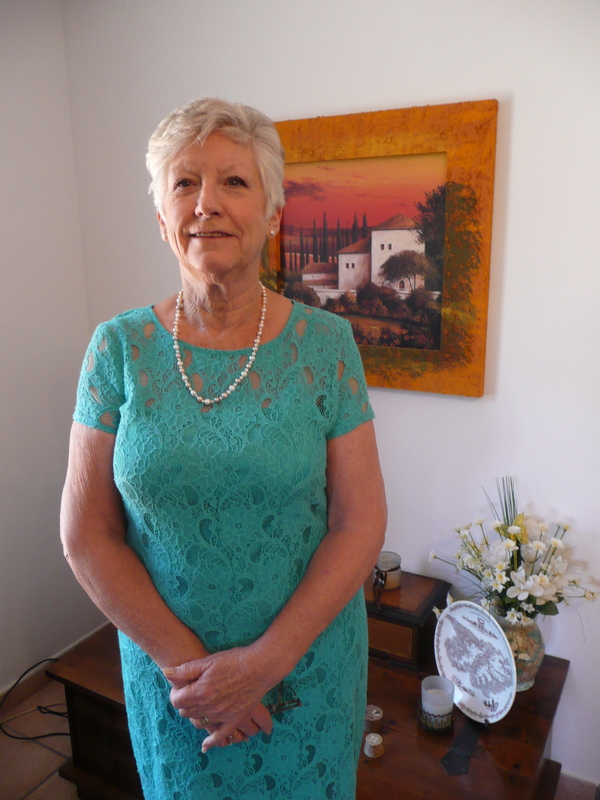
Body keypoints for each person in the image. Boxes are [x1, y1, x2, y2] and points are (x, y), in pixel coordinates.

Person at [60, 97, 387, 800]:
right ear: (162, 217)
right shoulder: (116, 350)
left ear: (272, 213)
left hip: (304, 678)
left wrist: (263, 665)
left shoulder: (328, 346)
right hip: (179, 691)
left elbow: (359, 522)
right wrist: (200, 676)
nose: (206, 202)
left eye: (233, 181)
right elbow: (86, 534)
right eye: (184, 183)